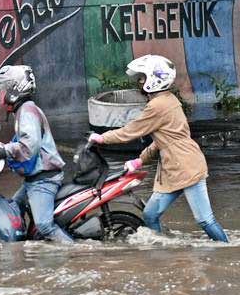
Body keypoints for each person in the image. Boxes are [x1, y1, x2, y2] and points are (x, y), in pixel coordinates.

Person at [89, 54, 228, 242]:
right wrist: (140, 160)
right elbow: (162, 140)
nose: (139, 81)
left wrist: (102, 137)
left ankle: (227, 249)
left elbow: (131, 131)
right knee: (150, 215)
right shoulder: (168, 99)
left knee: (205, 219)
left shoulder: (158, 105)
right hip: (173, 170)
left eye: (143, 77)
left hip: (187, 167)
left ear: (154, 80)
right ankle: (163, 248)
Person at [0, 65, 73, 243]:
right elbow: (20, 142)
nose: (0, 95)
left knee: (44, 225)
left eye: (3, 90)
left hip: (44, 179)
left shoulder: (27, 111)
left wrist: (0, 153)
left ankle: (76, 253)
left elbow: (29, 147)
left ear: (16, 89)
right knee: (13, 209)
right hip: (34, 179)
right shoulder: (24, 110)